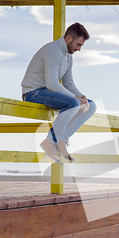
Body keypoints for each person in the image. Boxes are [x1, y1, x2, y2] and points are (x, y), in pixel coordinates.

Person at [21, 22, 97, 163]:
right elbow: (52, 83)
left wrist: (82, 97)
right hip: (33, 93)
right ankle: (49, 142)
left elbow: (68, 83)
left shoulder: (68, 56)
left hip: (48, 92)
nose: (79, 49)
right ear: (69, 39)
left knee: (91, 106)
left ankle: (61, 140)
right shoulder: (53, 50)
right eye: (78, 45)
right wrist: (76, 99)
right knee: (73, 103)